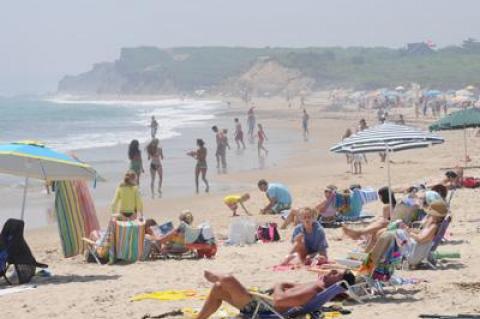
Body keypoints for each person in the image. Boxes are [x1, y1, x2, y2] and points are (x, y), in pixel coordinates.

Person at [195, 269, 356, 319]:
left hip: (264, 308)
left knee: (227, 280)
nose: (331, 271)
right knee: (217, 289)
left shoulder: (315, 290)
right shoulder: (316, 285)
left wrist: (278, 285)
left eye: (336, 273)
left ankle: (214, 277)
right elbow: (290, 287)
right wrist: (282, 286)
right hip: (265, 302)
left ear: (337, 283)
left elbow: (279, 300)